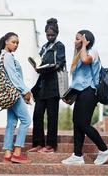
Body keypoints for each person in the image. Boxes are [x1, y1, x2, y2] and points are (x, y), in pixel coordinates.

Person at [61, 30, 108, 165]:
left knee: (83, 123)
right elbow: (79, 80)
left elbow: (86, 60)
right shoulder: (80, 54)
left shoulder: (92, 51)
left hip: (89, 91)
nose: (75, 41)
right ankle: (77, 155)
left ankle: (104, 150)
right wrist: (71, 95)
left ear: (86, 41)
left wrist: (84, 45)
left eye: (78, 39)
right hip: (81, 92)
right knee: (77, 122)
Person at [28, 18, 66, 153]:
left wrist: (48, 68)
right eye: (48, 35)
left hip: (53, 86)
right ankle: (38, 143)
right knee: (37, 115)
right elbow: (39, 61)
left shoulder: (59, 46)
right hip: (42, 86)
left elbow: (60, 63)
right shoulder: (44, 47)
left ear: (57, 33)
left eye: (52, 35)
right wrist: (37, 66)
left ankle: (51, 145)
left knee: (52, 116)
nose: (50, 37)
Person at [0, 32, 32, 164]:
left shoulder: (2, 56)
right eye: (13, 42)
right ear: (6, 41)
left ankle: (7, 153)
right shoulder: (8, 56)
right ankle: (17, 152)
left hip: (9, 94)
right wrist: (26, 91)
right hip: (14, 93)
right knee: (26, 120)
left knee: (11, 122)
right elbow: (13, 77)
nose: (15, 45)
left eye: (17, 43)